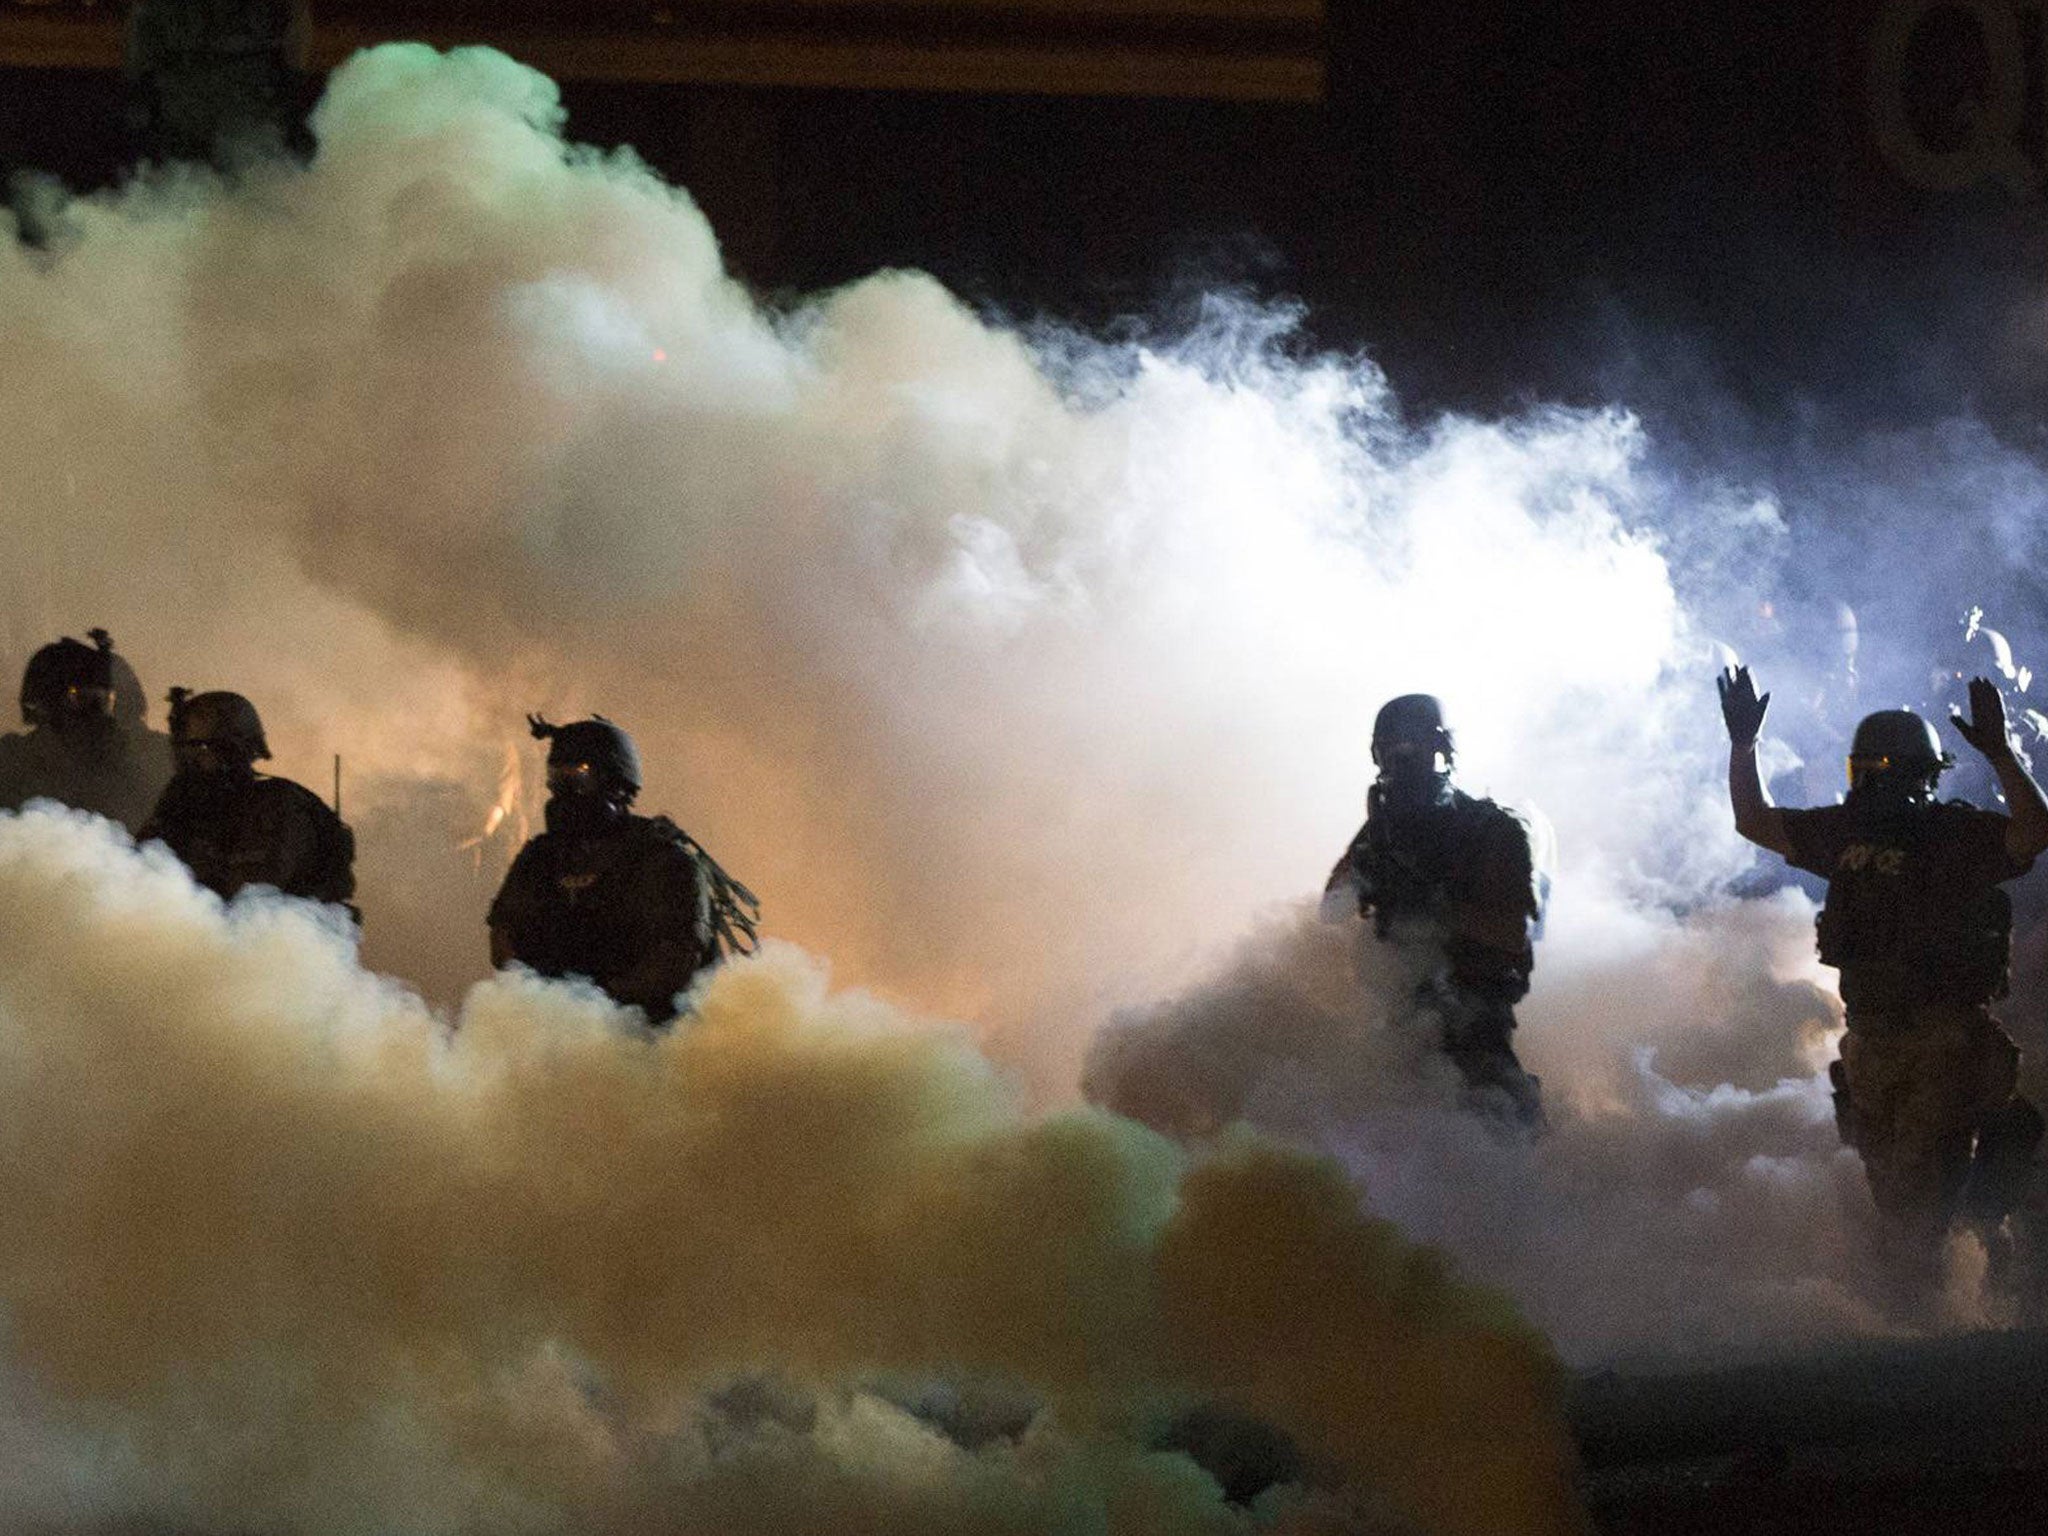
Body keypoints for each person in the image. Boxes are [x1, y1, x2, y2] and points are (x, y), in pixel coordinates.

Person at [1721, 665, 2048, 1275]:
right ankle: (1931, 1304)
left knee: (1930, 1194)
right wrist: (1744, 747)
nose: (1868, 786)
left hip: (1909, 1045)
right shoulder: (1901, 832)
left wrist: (1744, 746)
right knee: (1913, 1205)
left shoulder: (1902, 832)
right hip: (1905, 1048)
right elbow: (1753, 820)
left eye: (1873, 772)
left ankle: (1945, 1283)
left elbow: (2036, 829)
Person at [1322, 694, 1547, 1126]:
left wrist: (1433, 908)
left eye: (1412, 744)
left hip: (1473, 1023)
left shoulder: (1489, 829)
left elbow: (1509, 934)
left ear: (1440, 749)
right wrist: (1370, 871)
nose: (1402, 758)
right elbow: (1329, 911)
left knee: (1497, 1127)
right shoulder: (1380, 836)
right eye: (1391, 747)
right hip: (1397, 1025)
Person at [488, 715, 759, 1026]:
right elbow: (504, 937)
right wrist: (541, 1000)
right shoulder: (541, 858)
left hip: (656, 1033)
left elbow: (673, 964)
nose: (567, 791)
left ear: (617, 785)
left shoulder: (662, 859)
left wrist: (594, 1005)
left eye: (580, 776)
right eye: (558, 778)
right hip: (563, 1027)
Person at [140, 687, 355, 909]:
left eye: (199, 750)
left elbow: (252, 898)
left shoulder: (276, 806)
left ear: (231, 751)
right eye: (183, 752)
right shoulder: (185, 802)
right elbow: (142, 867)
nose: (188, 762)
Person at [0, 629, 174, 834]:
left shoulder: (153, 756)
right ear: (49, 700)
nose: (95, 710)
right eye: (80, 697)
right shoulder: (14, 761)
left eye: (104, 698)